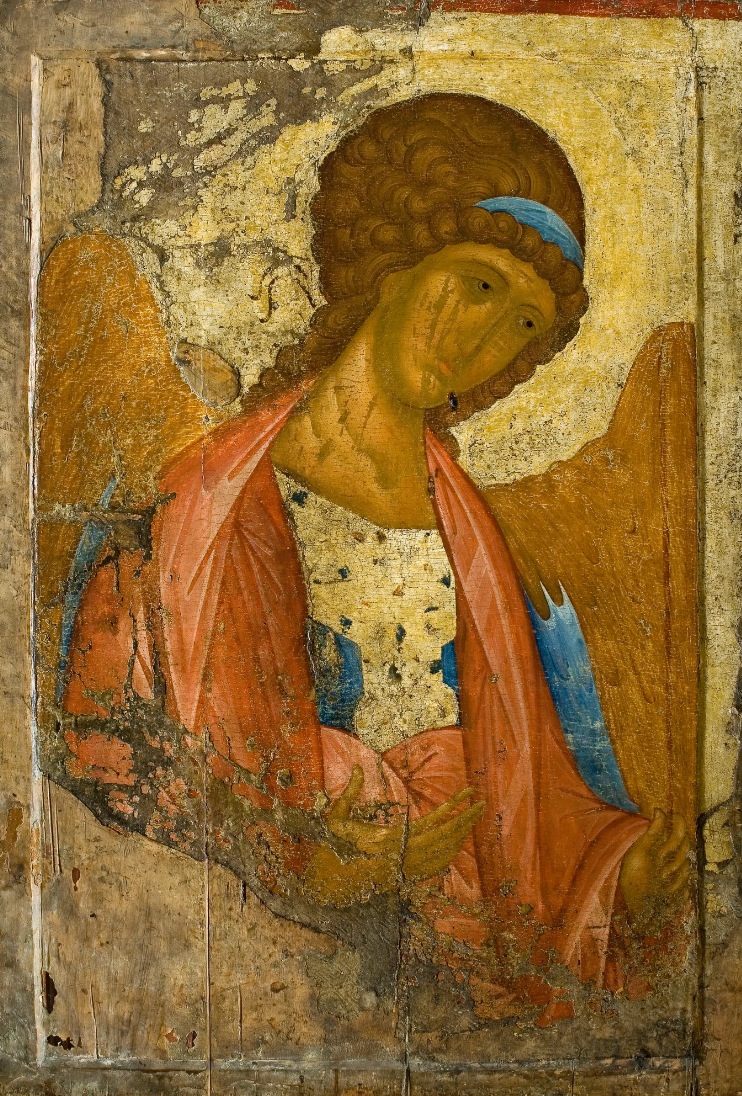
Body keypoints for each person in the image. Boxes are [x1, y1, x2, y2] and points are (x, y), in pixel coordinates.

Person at [61, 94, 690, 1004]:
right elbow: (101, 752)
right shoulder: (194, 507)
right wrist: (291, 856)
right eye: (478, 285)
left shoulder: (482, 550)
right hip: (249, 979)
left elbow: (528, 801)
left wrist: (620, 869)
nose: (483, 338)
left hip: (455, 979)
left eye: (522, 322)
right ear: (394, 265)